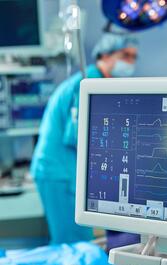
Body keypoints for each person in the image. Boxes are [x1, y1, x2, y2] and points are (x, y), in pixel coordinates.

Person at [31, 33, 138, 244]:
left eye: (134, 57)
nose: (130, 62)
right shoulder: (89, 83)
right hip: (59, 172)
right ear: (105, 55)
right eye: (125, 55)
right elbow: (78, 136)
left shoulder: (100, 83)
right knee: (72, 242)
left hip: (63, 170)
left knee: (78, 238)